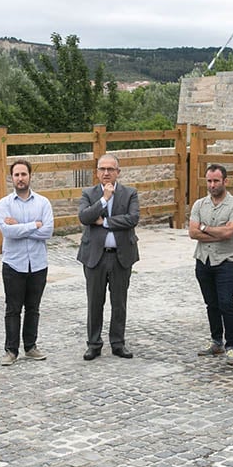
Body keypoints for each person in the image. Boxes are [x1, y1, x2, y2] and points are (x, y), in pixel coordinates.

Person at [78, 153, 140, 360]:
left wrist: (104, 222)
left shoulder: (130, 193)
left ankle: (118, 342)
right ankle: (94, 344)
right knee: (94, 302)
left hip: (121, 256)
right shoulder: (89, 194)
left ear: (118, 172)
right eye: (102, 169)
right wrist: (104, 200)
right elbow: (85, 217)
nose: (106, 173)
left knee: (119, 302)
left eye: (110, 169)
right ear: (97, 172)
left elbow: (132, 219)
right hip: (95, 257)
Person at [0, 159, 54, 365]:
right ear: (11, 178)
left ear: (30, 176)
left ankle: (30, 346)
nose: (20, 178)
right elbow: (7, 232)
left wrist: (20, 225)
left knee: (33, 307)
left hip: (38, 264)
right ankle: (11, 350)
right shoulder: (4, 204)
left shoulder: (43, 203)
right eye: (17, 175)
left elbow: (48, 230)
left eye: (24, 174)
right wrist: (33, 225)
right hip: (14, 264)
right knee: (12, 308)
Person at [188, 164, 233, 365]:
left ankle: (231, 346)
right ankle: (216, 341)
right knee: (211, 304)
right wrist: (215, 231)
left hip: (225, 262)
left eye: (216, 181)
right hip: (203, 260)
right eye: (209, 181)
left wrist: (204, 229)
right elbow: (192, 233)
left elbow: (229, 233)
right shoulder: (199, 205)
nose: (212, 185)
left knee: (226, 303)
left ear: (225, 181)